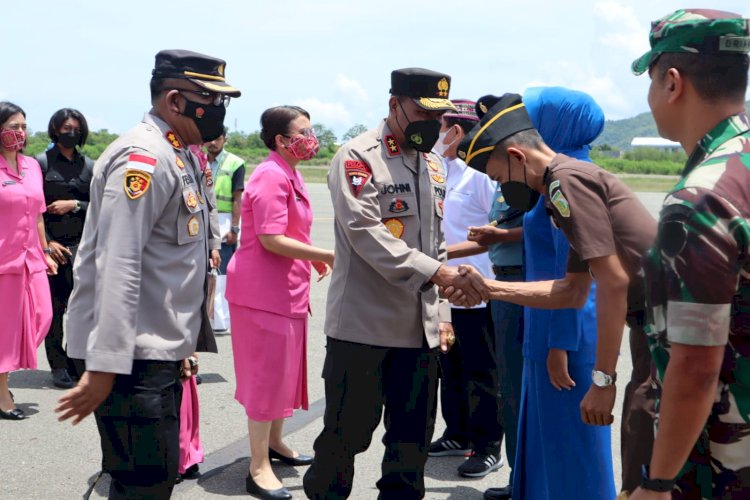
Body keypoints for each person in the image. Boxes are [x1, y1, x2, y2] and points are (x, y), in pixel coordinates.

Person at [55, 49, 239, 499]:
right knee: (145, 483)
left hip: (154, 349)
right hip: (130, 356)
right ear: (175, 101)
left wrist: (182, 346)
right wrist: (105, 366)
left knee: (152, 478)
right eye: (210, 99)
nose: (219, 109)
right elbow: (119, 264)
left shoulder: (182, 152)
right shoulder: (146, 157)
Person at [303, 67, 487, 500]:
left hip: (418, 334)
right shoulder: (358, 157)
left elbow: (436, 243)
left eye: (436, 116)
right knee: (345, 438)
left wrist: (442, 314)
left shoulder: (432, 164)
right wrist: (437, 274)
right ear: (394, 105)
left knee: (410, 448)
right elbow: (366, 232)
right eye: (422, 112)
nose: (431, 124)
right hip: (363, 330)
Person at [452, 92, 657, 472]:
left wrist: (603, 380)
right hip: (655, 325)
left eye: (498, 178)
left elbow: (612, 283)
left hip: (668, 328)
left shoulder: (566, 184)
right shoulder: (562, 184)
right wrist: (489, 287)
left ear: (516, 157)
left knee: (651, 463)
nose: (503, 188)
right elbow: (571, 289)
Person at [629, 10, 750, 499]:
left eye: (652, 80)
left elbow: (696, 367)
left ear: (672, 83)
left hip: (724, 468)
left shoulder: (700, 200)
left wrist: (657, 484)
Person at [490, 86, 615, 500]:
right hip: (546, 325)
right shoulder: (558, 171)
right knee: (546, 443)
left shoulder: (567, 181)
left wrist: (559, 343)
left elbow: (576, 270)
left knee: (568, 452)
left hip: (563, 333)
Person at [225, 105, 333, 500]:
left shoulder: (290, 172)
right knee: (265, 378)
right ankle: (257, 467)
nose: (311, 138)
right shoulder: (271, 176)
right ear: (281, 140)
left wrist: (308, 258)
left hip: (284, 289)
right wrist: (324, 254)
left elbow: (289, 231)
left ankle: (275, 443)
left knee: (283, 373)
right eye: (303, 132)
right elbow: (271, 238)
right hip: (261, 293)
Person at [428, 99, 504, 478]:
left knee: (482, 372)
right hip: (443, 291)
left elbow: (498, 234)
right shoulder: (438, 171)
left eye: (439, 125)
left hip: (477, 291)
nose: (434, 133)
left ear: (456, 131)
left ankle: (488, 445)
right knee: (449, 366)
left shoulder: (482, 178)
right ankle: (457, 433)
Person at [0, 101, 57, 421]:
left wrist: (45, 250)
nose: (20, 133)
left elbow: (37, 214)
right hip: (4, 260)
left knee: (42, 317)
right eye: (12, 127)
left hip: (31, 258)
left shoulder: (32, 166)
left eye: (23, 127)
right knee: (5, 332)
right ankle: (2, 393)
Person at [37, 108, 94, 389]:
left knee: (82, 310)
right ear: (55, 130)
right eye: (65, 128)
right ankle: (58, 366)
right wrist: (47, 244)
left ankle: (76, 361)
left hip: (84, 248)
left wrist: (75, 205)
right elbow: (32, 211)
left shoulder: (90, 166)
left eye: (75, 128)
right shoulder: (41, 164)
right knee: (55, 311)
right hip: (53, 249)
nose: (70, 133)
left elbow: (102, 205)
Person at [205, 127, 245, 331]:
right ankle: (208, 319)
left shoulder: (235, 163)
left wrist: (235, 228)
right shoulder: (199, 160)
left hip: (225, 220)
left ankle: (221, 321)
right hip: (204, 218)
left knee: (222, 273)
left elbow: (238, 198)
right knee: (206, 272)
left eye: (217, 139)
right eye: (210, 138)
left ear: (225, 140)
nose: (213, 142)